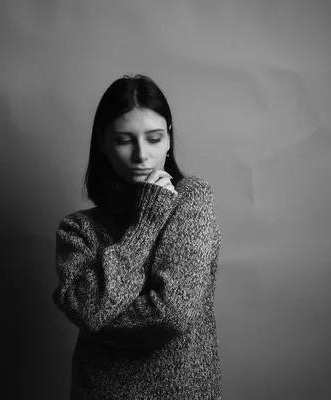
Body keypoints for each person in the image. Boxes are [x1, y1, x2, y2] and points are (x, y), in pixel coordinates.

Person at [52, 74, 222, 399]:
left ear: (169, 138)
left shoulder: (192, 199)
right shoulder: (76, 229)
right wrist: (146, 221)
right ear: (102, 142)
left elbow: (173, 313)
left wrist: (99, 321)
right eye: (124, 140)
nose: (141, 155)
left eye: (154, 138)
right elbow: (87, 310)